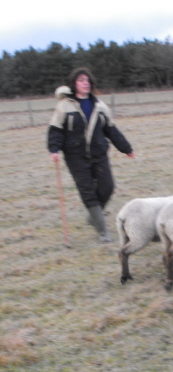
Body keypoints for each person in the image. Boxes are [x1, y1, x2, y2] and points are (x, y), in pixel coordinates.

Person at [47, 67, 134, 242]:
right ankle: (103, 231)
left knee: (107, 186)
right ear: (74, 84)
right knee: (87, 191)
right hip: (75, 156)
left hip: (99, 153)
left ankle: (93, 216)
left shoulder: (100, 106)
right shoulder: (64, 105)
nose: (85, 83)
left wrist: (126, 148)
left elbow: (111, 129)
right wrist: (54, 149)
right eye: (81, 80)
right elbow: (55, 130)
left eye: (87, 80)